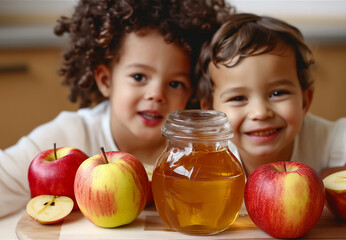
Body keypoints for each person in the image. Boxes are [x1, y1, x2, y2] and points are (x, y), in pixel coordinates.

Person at [0, 0, 234, 218]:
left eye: (175, 84)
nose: (156, 94)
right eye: (139, 76)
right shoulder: (70, 135)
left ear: (191, 91)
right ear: (105, 80)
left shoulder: (208, 148)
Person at [196, 13, 346, 178]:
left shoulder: (327, 139)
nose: (260, 112)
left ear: (305, 101)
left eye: (277, 93)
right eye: (238, 98)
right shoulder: (203, 159)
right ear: (211, 113)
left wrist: (332, 179)